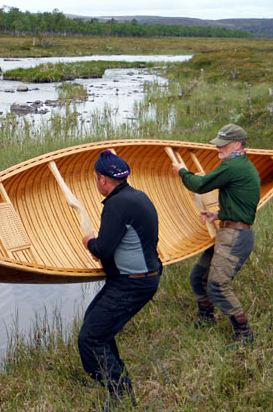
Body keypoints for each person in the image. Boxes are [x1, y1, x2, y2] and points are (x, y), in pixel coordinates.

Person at [80, 149, 162, 410]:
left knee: (90, 339)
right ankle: (120, 389)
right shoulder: (137, 197)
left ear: (104, 180)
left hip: (132, 283)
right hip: (137, 279)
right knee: (97, 328)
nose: (96, 183)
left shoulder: (116, 205)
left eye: (96, 178)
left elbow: (102, 248)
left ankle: (121, 395)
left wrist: (89, 243)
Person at [172, 124, 260, 345]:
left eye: (223, 144)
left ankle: (244, 334)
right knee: (197, 278)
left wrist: (181, 171)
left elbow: (200, 185)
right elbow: (243, 203)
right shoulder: (242, 166)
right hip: (229, 233)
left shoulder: (233, 166)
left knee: (217, 285)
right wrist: (218, 214)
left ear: (237, 145)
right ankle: (206, 318)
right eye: (218, 143)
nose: (218, 148)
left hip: (235, 237)